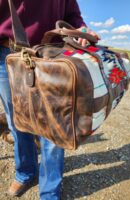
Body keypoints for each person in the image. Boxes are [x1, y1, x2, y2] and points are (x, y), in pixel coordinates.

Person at [0, 1, 99, 199]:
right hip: (6, 54)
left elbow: (73, 14)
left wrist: (82, 29)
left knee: (54, 126)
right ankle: (25, 172)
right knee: (16, 121)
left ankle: (50, 190)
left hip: (52, 55)